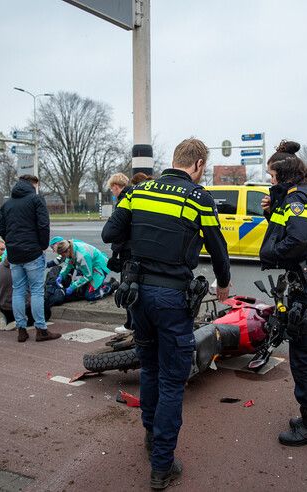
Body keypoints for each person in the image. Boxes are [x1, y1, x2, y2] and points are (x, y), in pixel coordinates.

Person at [102, 138, 231, 490]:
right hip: (172, 297)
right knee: (173, 379)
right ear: (199, 165)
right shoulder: (198, 198)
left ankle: (149, 435)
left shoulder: (137, 191)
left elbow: (109, 232)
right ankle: (161, 467)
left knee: (151, 367)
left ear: (174, 160)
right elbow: (217, 245)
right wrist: (224, 282)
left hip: (137, 296)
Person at [259, 140, 307, 447]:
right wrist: (273, 211)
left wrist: (271, 254)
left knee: (304, 357)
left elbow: (299, 239)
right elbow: (296, 229)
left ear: (282, 173)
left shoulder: (297, 197)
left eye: (271, 175)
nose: (269, 181)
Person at [0, 174, 60, 343]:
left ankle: (21, 329)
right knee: (37, 290)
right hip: (33, 251)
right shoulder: (36, 199)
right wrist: (42, 245)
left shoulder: (7, 204)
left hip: (14, 254)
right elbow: (43, 224)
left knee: (18, 290)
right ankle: (41, 329)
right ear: (33, 184)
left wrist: (11, 243)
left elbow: (1, 229)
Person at [106, 173, 134, 335]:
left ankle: (130, 324)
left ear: (116, 187)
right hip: (136, 249)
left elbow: (118, 232)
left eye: (112, 189)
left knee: (126, 287)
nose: (112, 192)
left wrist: (115, 254)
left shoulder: (123, 202)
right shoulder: (135, 196)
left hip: (127, 251)